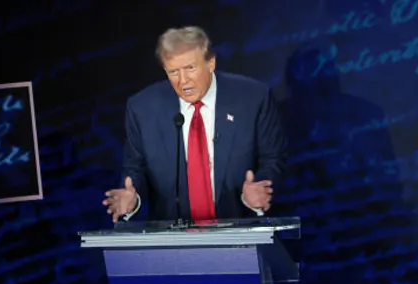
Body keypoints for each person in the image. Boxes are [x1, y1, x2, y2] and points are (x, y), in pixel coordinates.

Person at [102, 26, 286, 223]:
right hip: (172, 241)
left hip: (241, 230)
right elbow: (135, 169)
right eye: (173, 72)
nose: (183, 81)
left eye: (190, 68)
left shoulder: (252, 98)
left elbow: (272, 158)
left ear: (211, 62)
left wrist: (259, 190)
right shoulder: (142, 108)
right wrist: (133, 198)